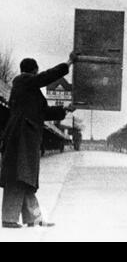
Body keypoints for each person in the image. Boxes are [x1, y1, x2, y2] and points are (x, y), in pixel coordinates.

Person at [0, 53, 77, 228]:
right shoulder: (23, 81)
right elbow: (46, 77)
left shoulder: (28, 91)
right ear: (33, 71)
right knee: (18, 176)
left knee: (25, 177)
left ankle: (33, 218)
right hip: (21, 138)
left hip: (25, 137)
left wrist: (66, 110)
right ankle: (9, 219)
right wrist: (68, 63)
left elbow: (45, 113)